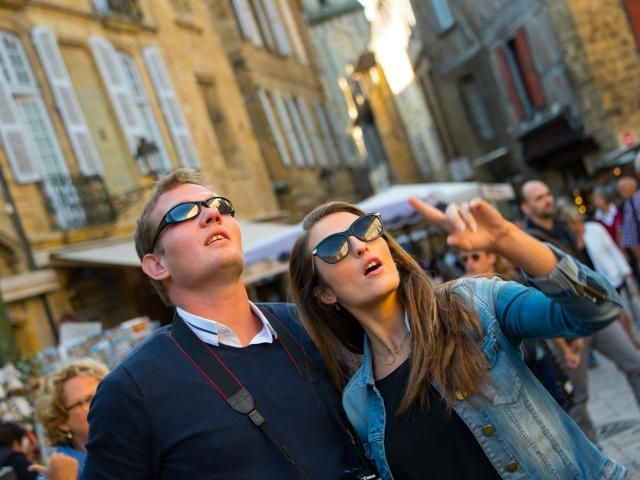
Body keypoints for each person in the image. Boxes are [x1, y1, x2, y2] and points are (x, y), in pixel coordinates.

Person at [288, 197, 626, 479]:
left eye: (365, 230)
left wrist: (508, 240)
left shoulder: (472, 304)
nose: (360, 246)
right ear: (324, 294)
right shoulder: (359, 401)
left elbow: (597, 308)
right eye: (335, 248)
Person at [83, 169, 361, 479]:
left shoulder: (310, 324)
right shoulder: (129, 391)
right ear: (157, 265)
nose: (212, 214)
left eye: (221, 206)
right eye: (183, 213)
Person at [522, 179, 640, 443]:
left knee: (635, 364)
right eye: (538, 198)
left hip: (592, 313)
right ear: (526, 208)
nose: (547, 200)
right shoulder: (528, 242)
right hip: (565, 327)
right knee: (577, 397)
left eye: (548, 194)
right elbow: (537, 297)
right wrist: (563, 347)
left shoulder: (563, 227)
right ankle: (593, 460)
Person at [35, 359, 108, 480]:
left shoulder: (135, 438)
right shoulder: (57, 473)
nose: (103, 402)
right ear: (61, 421)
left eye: (103, 393)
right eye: (88, 400)